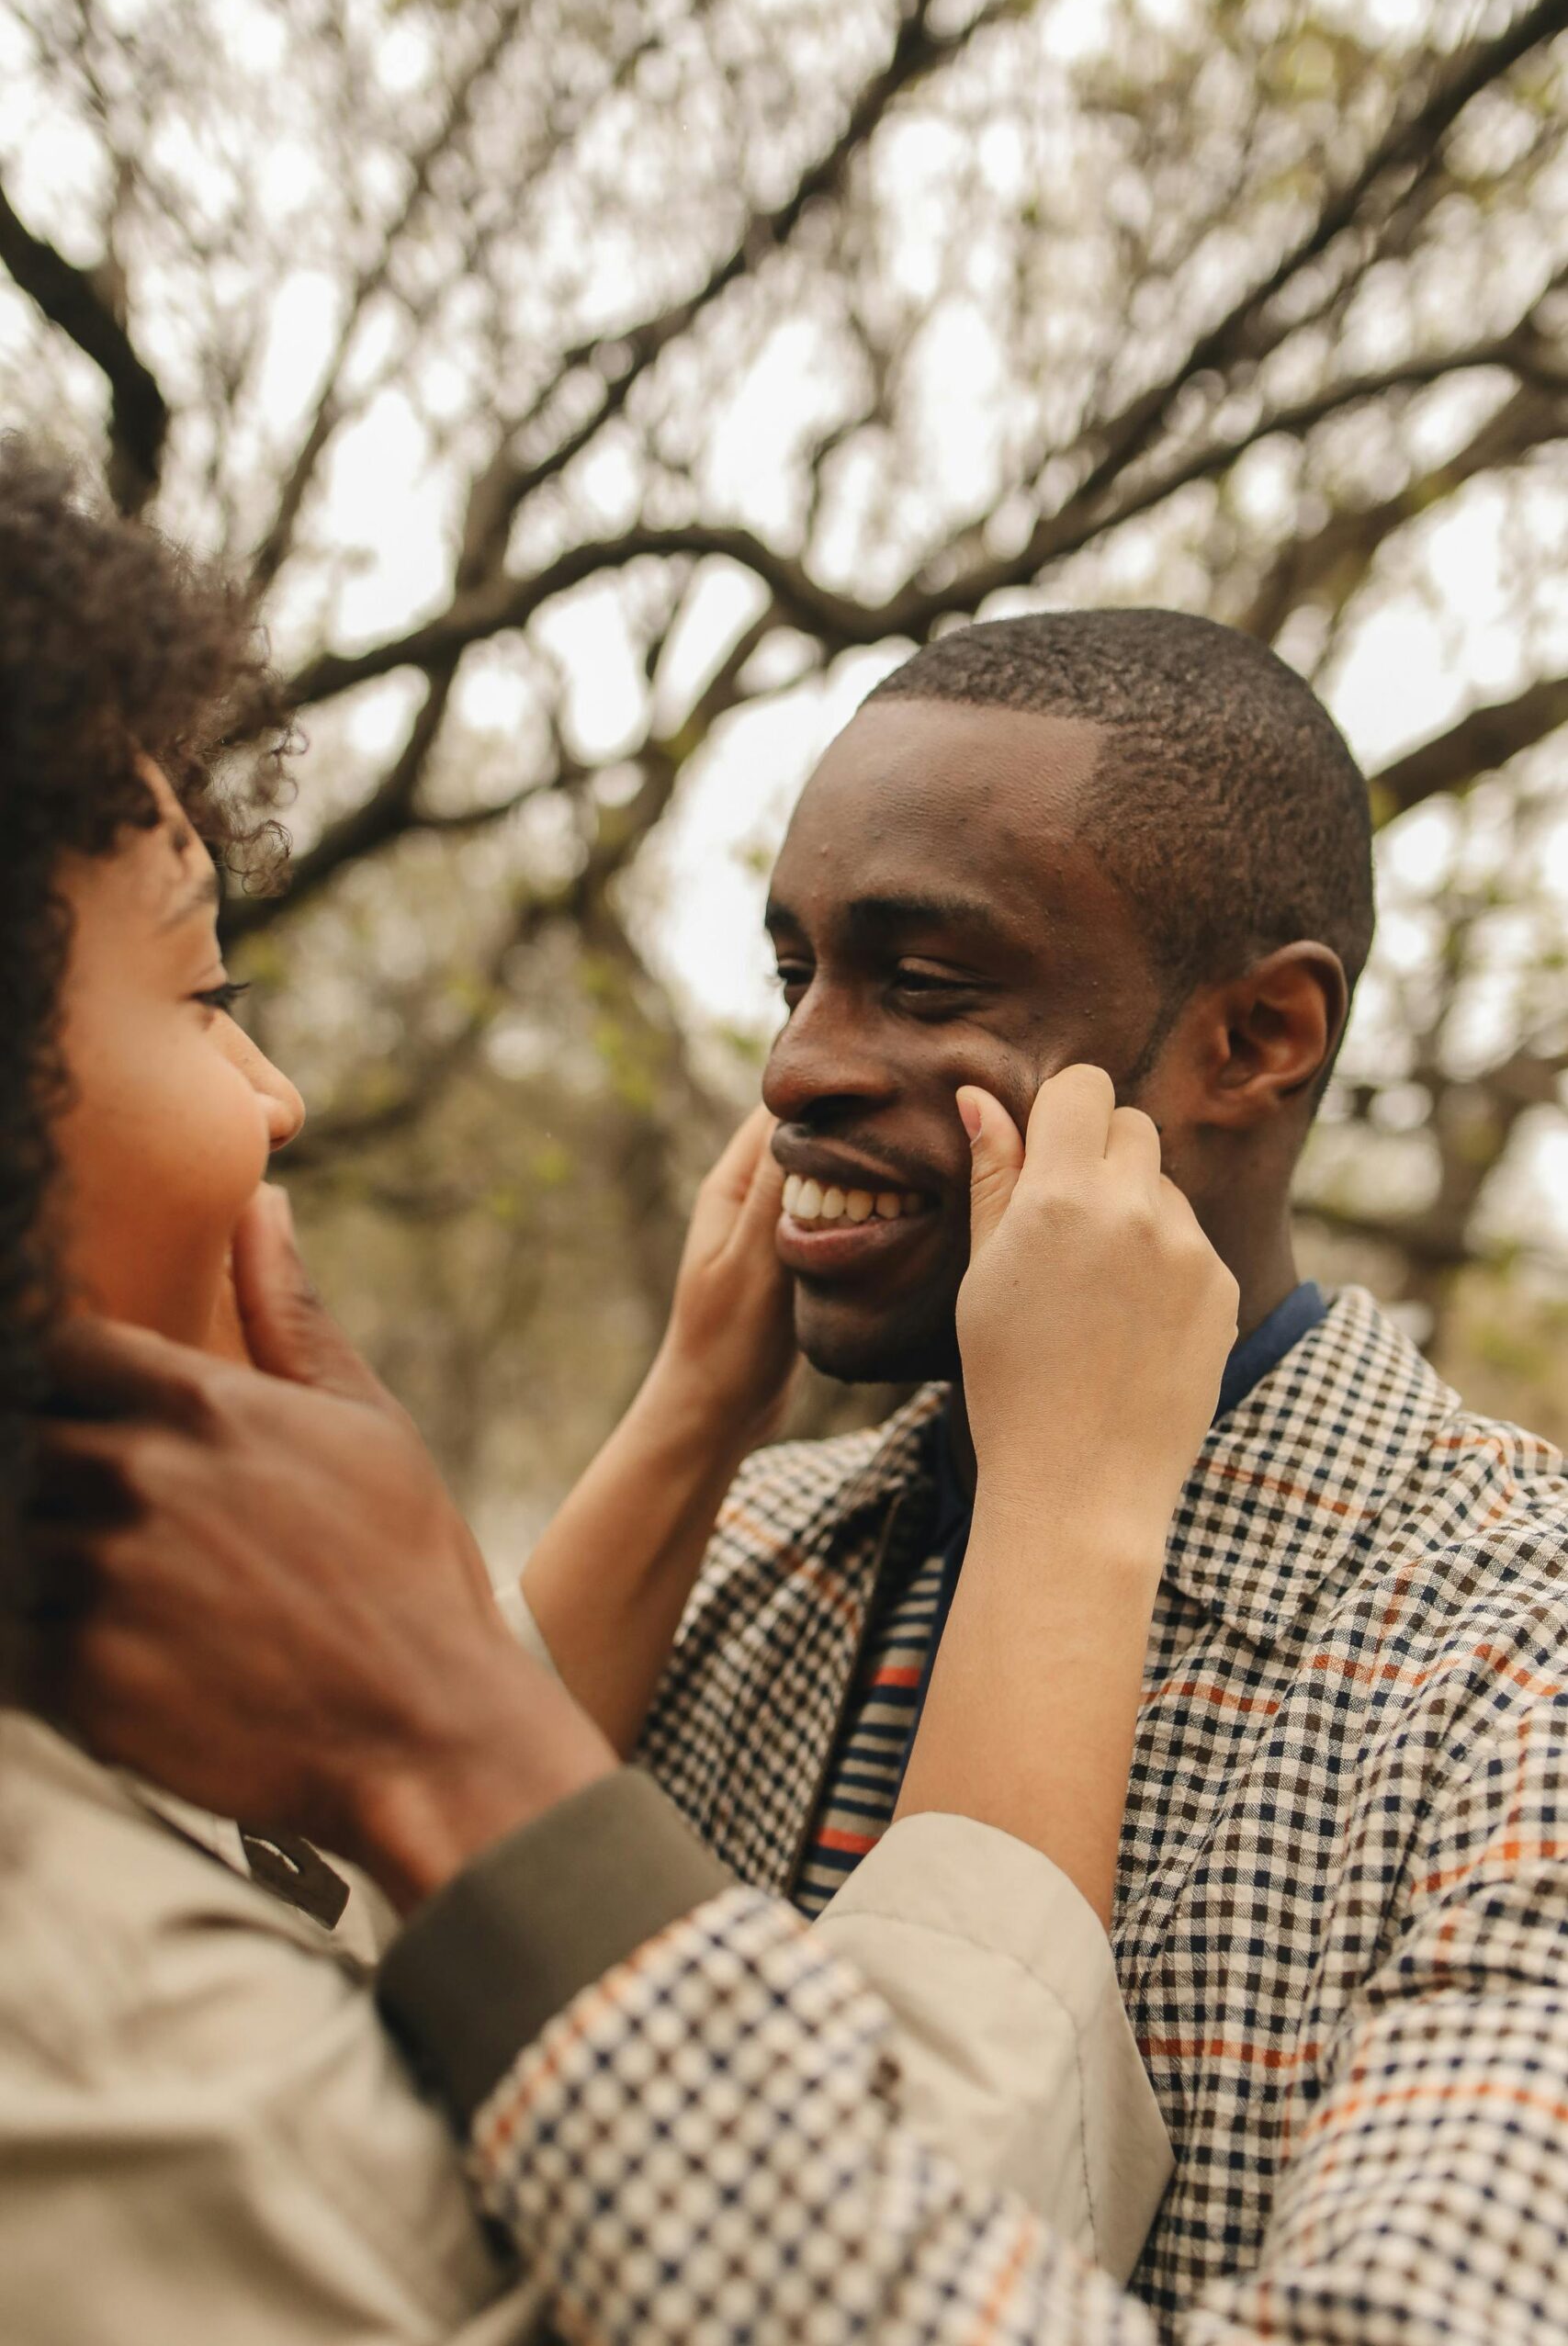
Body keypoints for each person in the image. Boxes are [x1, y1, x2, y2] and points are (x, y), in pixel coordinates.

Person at [45, 599, 1568, 2344]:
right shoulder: (738, 1552)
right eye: (796, 976)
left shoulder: (1514, 1666)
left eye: (924, 980)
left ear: (1255, 1042)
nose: (793, 1068)